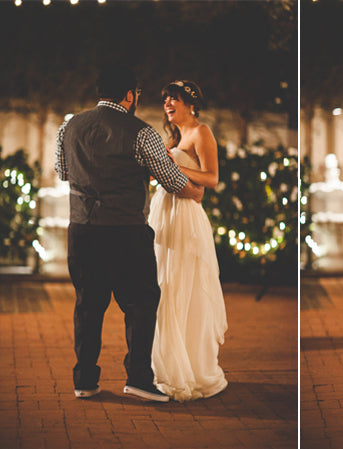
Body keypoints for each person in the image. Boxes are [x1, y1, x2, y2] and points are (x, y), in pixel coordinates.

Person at [55, 66, 204, 403]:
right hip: (125, 231)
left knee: (88, 305)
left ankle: (85, 381)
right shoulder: (141, 132)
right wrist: (194, 192)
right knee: (140, 303)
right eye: (136, 93)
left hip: (82, 230)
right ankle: (138, 377)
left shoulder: (69, 126)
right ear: (129, 95)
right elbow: (169, 178)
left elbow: (62, 172)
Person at [148, 80, 228, 401]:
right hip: (163, 215)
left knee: (185, 287)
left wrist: (174, 166)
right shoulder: (175, 138)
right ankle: (168, 366)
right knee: (163, 288)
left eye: (174, 98)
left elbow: (212, 178)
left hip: (186, 217)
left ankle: (194, 369)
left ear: (190, 103)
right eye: (165, 98)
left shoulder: (201, 132)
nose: (168, 103)